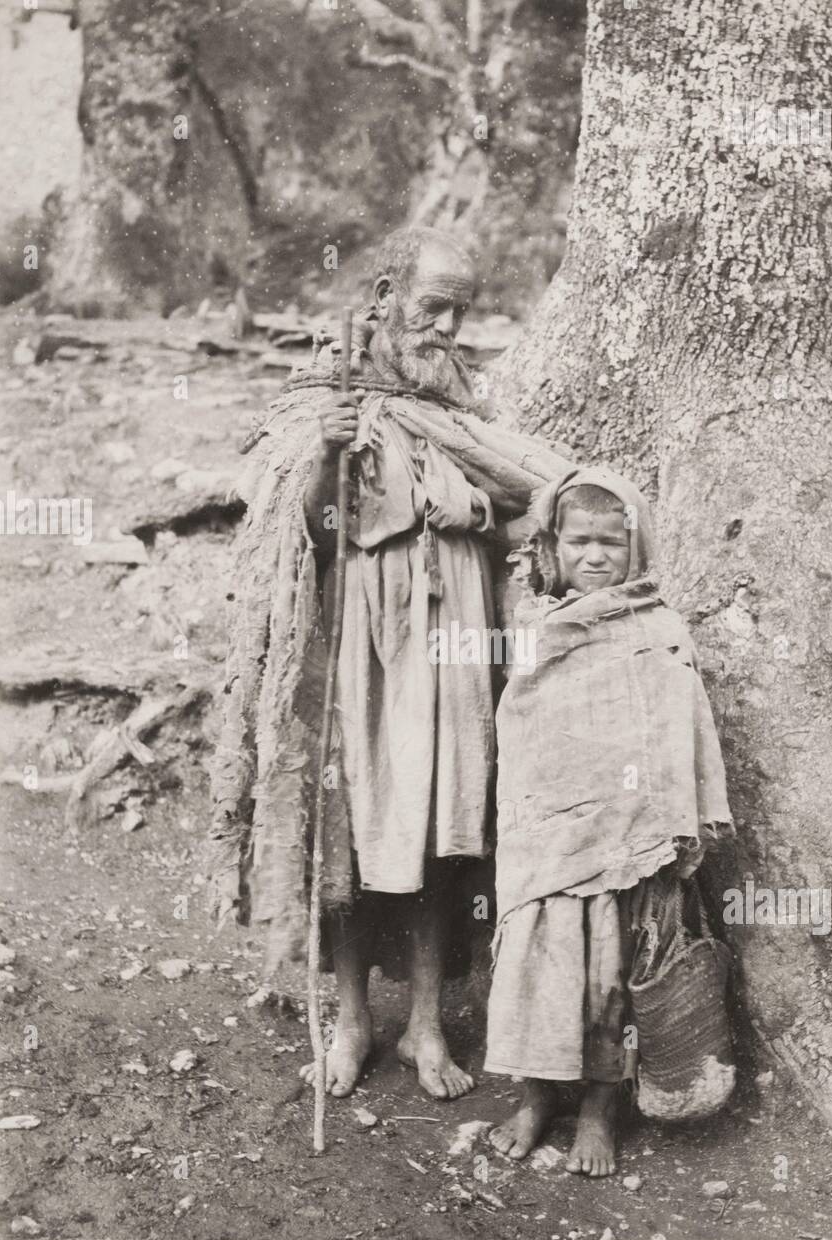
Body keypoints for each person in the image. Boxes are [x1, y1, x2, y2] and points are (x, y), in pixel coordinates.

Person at [209, 226, 570, 1101]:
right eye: (433, 306)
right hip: (361, 659)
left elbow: (529, 499)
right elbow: (309, 537)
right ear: (380, 299)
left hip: (453, 659)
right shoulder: (317, 403)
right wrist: (331, 451)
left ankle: (424, 1027)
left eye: (461, 312)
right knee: (353, 827)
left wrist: (475, 513)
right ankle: (352, 1018)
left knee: (444, 828)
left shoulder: (458, 411)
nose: (448, 327)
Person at [484, 468, 733, 1174]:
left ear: (637, 548)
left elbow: (682, 736)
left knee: (609, 978)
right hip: (548, 842)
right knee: (539, 965)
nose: (595, 557)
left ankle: (599, 1106)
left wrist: (670, 824)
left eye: (611, 544)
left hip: (629, 846)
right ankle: (536, 1096)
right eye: (580, 542)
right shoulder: (534, 626)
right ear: (554, 548)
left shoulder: (658, 629)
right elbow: (523, 732)